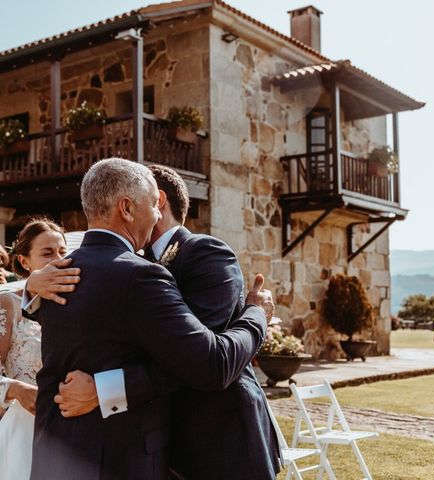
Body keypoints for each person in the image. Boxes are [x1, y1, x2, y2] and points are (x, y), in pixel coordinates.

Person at [29, 158, 269, 480]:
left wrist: (104, 388)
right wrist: (257, 314)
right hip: (117, 457)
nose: (156, 214)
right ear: (127, 209)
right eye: (151, 205)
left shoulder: (55, 276)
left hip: (56, 453)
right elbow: (208, 362)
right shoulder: (138, 276)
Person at [0, 218, 67, 479]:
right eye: (47, 253)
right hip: (26, 429)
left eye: (62, 252)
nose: (58, 258)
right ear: (25, 262)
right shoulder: (8, 303)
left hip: (72, 429)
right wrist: (16, 389)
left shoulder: (76, 304)